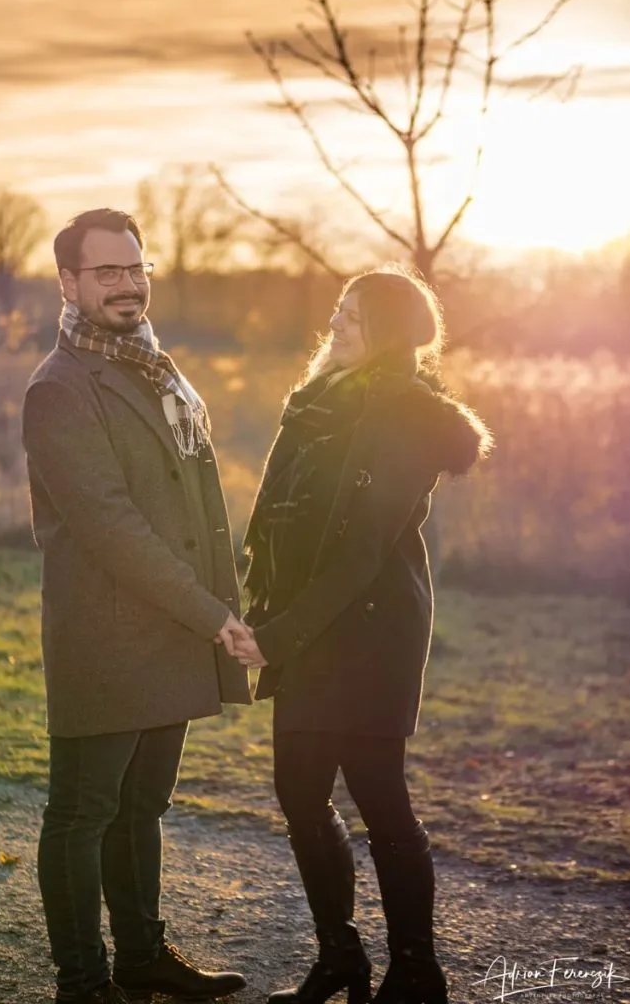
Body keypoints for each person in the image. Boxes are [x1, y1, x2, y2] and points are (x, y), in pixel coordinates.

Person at [233, 266, 493, 1004]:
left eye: (356, 315)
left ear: (389, 331)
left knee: (379, 798)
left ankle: (415, 973)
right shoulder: (316, 402)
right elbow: (276, 514)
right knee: (298, 791)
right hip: (308, 625)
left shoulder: (411, 415)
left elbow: (360, 549)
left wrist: (278, 637)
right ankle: (340, 958)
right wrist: (254, 602)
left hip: (370, 630)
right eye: (339, 310)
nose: (338, 323)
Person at [21, 208, 252, 1004]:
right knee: (84, 810)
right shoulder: (61, 387)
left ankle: (142, 956)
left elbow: (189, 502)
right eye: (106, 272)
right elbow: (110, 526)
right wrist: (210, 615)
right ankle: (83, 984)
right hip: (109, 633)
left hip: (171, 627)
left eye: (134, 268)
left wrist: (224, 592)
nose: (126, 285)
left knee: (143, 806)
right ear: (69, 283)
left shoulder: (152, 368)